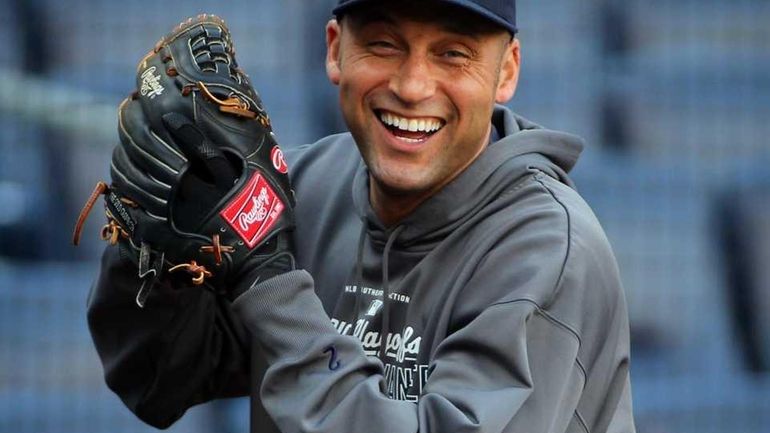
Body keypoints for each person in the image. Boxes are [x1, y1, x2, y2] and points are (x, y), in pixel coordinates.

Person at [87, 1, 636, 432]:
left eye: (453, 53)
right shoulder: (301, 189)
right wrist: (154, 244)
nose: (412, 86)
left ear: (506, 70)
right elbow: (156, 383)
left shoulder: (547, 252)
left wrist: (268, 283)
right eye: (383, 45)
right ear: (335, 51)